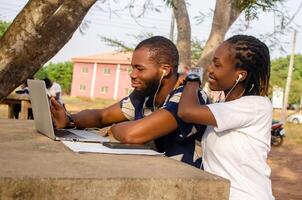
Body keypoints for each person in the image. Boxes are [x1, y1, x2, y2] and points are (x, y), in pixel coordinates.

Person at [50, 36, 208, 167]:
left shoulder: (188, 97)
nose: (132, 74)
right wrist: (70, 120)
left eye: (140, 69)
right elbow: (102, 116)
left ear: (164, 70)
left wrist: (113, 129)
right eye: (133, 68)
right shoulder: (144, 94)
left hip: (186, 185)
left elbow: (131, 135)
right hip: (154, 174)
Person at [178, 35, 274, 199]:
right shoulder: (221, 106)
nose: (210, 69)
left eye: (217, 64)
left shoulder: (256, 106)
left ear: (240, 75)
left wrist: (192, 80)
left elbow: (186, 111)